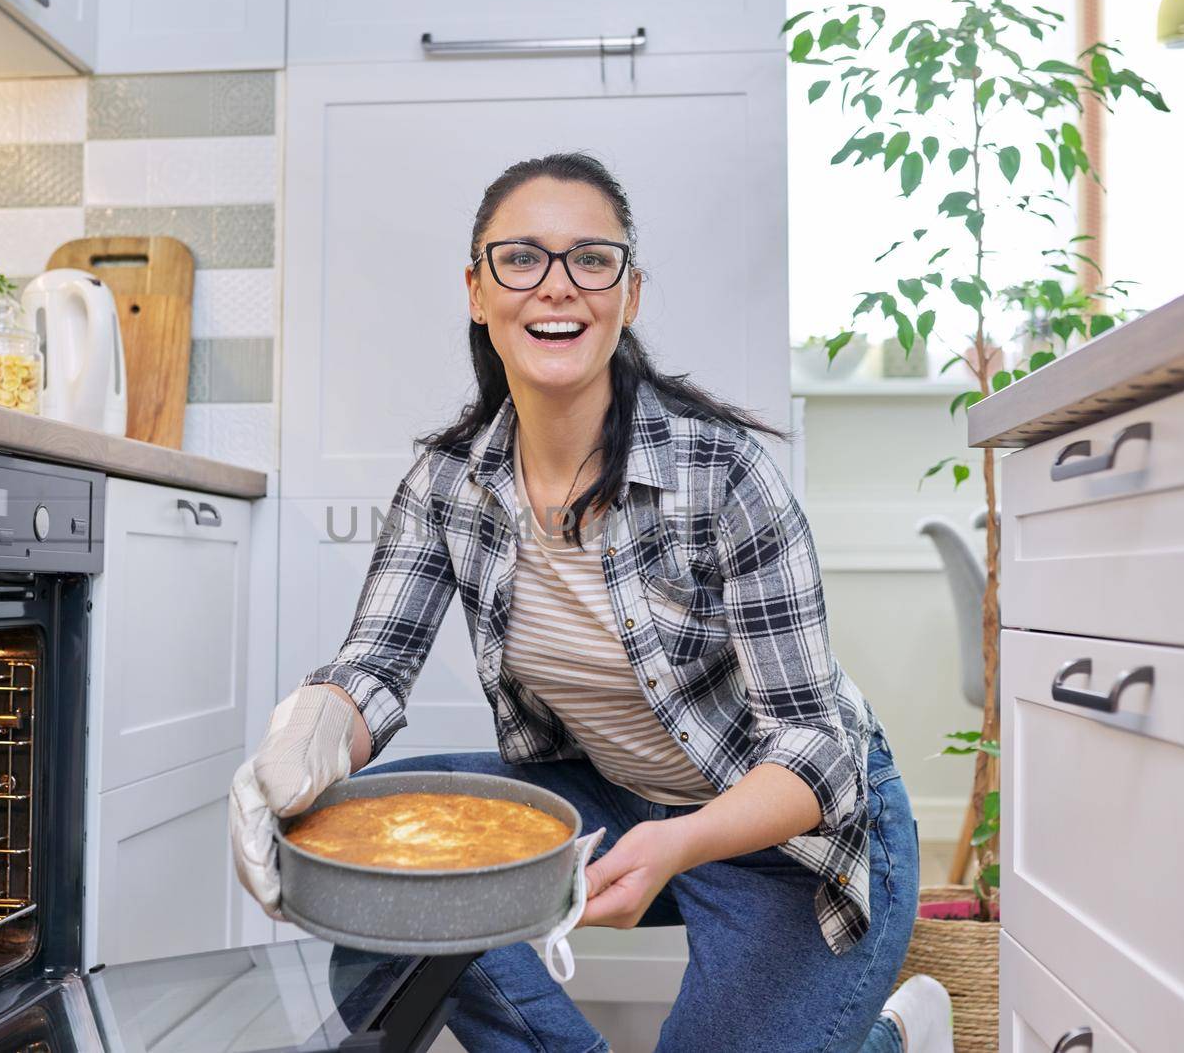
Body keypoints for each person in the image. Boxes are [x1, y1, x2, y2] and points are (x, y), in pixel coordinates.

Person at [231, 151, 953, 1053]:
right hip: (615, 797)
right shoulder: (449, 483)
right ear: (476, 289)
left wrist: (679, 844)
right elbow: (373, 666)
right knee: (367, 871)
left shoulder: (723, 475)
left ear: (630, 294)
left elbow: (814, 752)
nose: (556, 287)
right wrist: (293, 755)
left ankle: (894, 1036)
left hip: (794, 837)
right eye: (522, 258)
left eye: (592, 259)